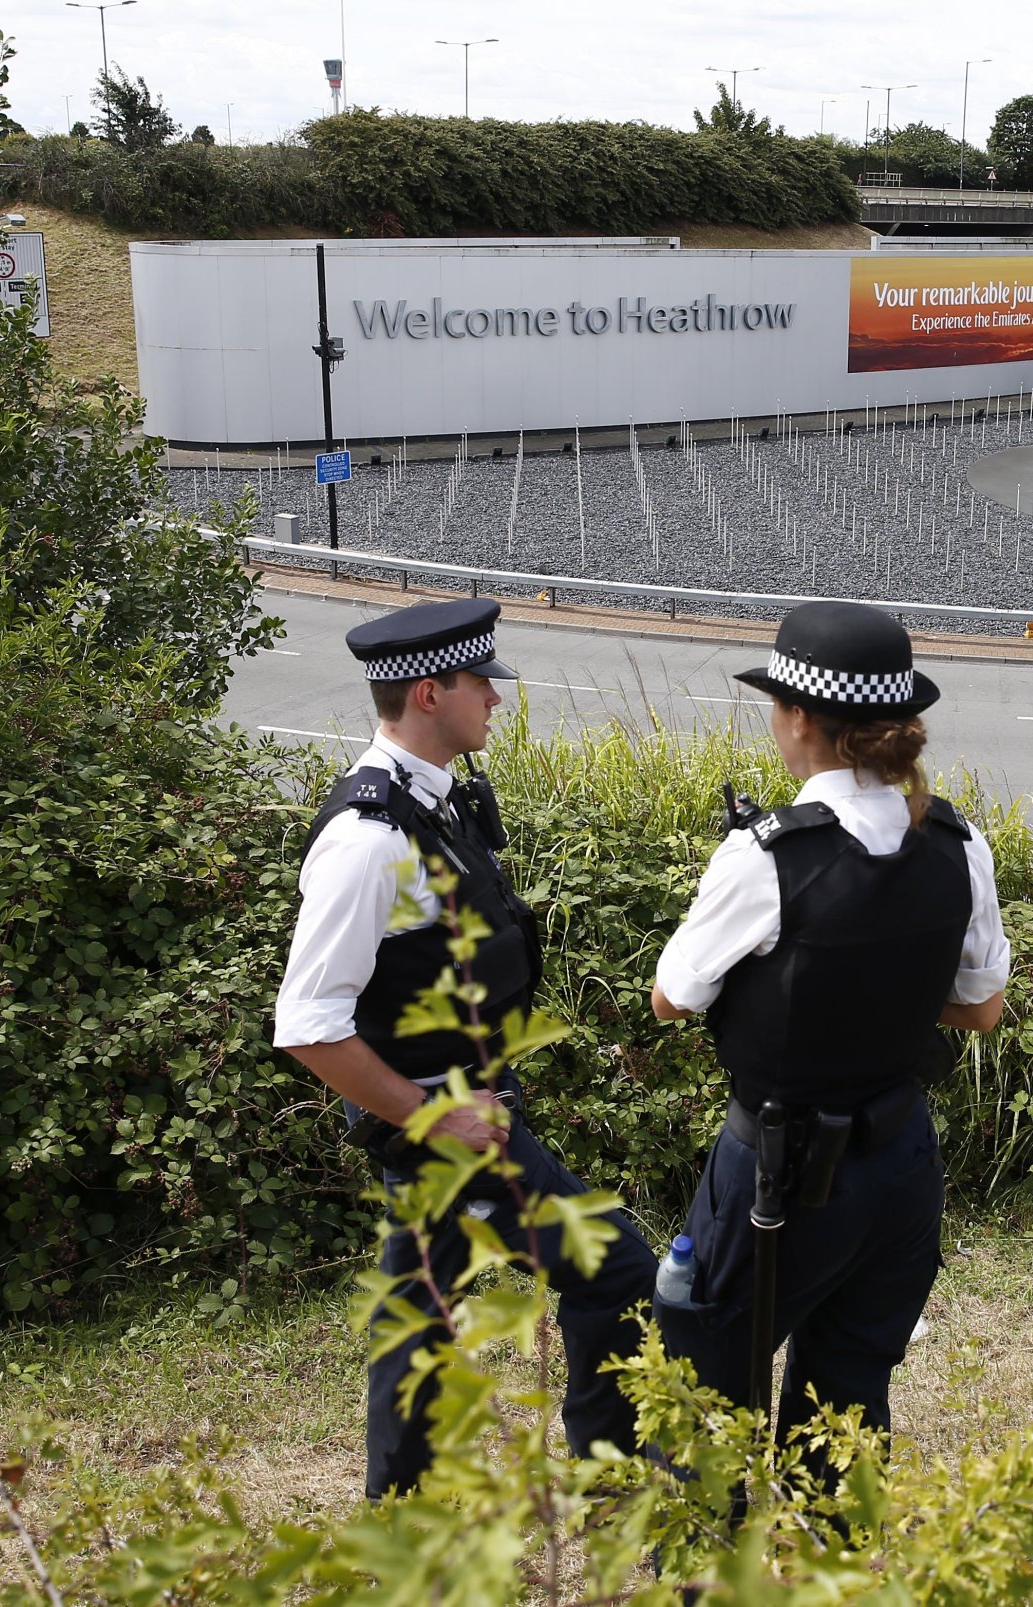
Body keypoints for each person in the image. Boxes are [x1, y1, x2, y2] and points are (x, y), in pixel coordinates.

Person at [273, 597, 657, 1498]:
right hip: (441, 1118)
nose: (496, 696)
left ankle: (403, 1500)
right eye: (480, 681)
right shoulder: (369, 841)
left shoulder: (436, 804)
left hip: (462, 1106)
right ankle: (604, 1474)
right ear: (428, 692)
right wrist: (434, 1116)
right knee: (616, 1267)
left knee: (422, 1301)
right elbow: (309, 1022)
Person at [647, 601, 1009, 1444]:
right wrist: (885, 994)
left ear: (800, 716)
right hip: (901, 1168)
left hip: (778, 1170)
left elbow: (673, 997)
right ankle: (832, 1566)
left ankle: (714, 1570)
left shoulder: (769, 857)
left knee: (704, 1387)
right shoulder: (959, 843)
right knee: (846, 1408)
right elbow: (982, 1008)